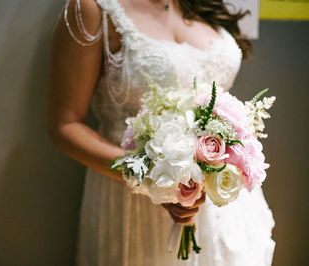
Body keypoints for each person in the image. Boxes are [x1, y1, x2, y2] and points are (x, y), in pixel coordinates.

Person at [47, 0, 276, 265]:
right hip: (132, 203)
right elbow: (65, 125)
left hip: (223, 205)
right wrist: (151, 179)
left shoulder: (206, 3)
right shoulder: (92, 8)